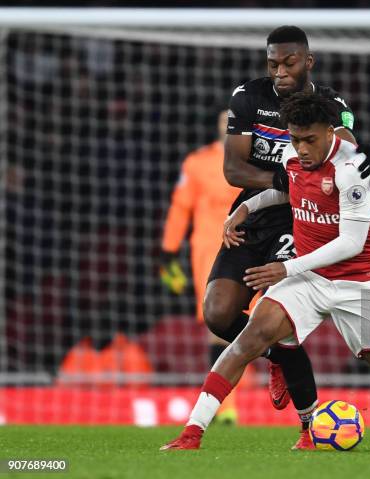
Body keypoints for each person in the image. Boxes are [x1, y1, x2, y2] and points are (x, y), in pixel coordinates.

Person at [161, 92, 370, 453]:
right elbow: (286, 191)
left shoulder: (353, 170)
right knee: (250, 338)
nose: (302, 148)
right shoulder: (293, 153)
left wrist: (285, 267)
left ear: (331, 132)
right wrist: (245, 208)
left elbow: (351, 243)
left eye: (310, 139)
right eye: (295, 139)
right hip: (309, 278)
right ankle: (192, 432)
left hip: (359, 283)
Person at [201, 26, 370, 449]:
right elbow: (233, 170)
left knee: (274, 317)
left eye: (289, 63)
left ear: (308, 61)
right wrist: (283, 176)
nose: (280, 72)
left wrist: (368, 150)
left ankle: (307, 426)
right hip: (254, 212)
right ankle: (279, 357)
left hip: (302, 218)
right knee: (217, 313)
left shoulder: (331, 104)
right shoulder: (247, 98)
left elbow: (350, 149)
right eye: (273, 64)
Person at [159, 108, 243, 424]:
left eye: (233, 122)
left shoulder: (258, 161)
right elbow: (181, 207)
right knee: (219, 325)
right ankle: (226, 405)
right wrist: (168, 251)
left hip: (253, 249)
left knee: (253, 326)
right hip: (209, 250)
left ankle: (233, 400)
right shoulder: (197, 163)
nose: (228, 127)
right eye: (224, 122)